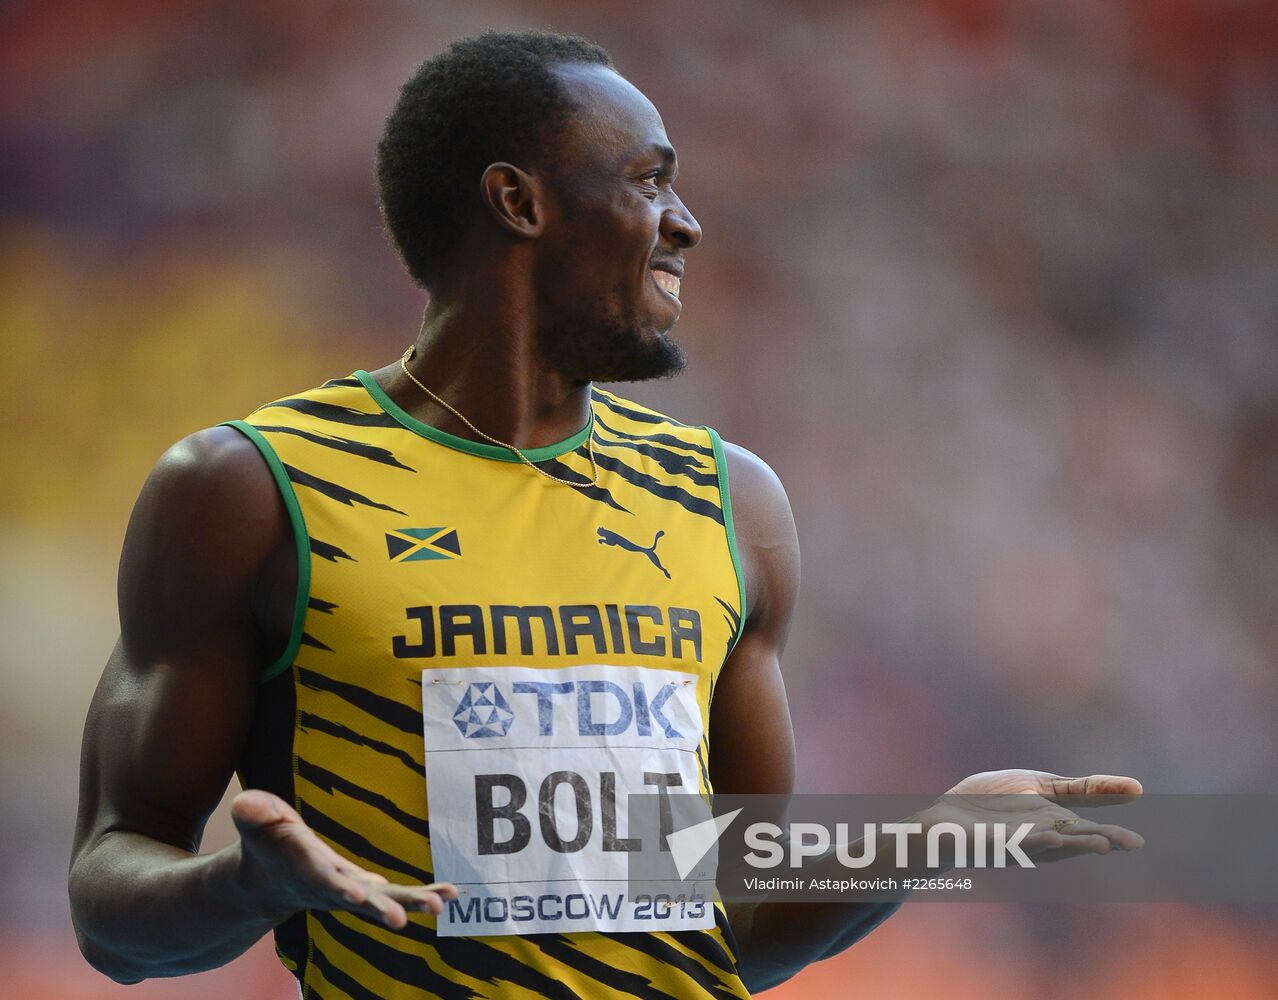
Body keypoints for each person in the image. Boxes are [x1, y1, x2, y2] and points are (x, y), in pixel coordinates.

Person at [69, 30, 1142, 999]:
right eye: (649, 181)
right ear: (518, 200)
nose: (688, 221)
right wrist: (248, 888)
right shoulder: (252, 490)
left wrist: (925, 844)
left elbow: (732, 924)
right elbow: (113, 908)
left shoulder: (732, 504)